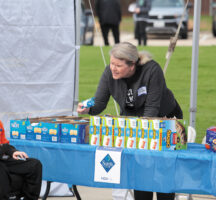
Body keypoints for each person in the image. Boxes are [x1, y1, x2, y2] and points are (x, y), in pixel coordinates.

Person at [77, 42, 182, 200]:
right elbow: (98, 103)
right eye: (112, 63)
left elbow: (151, 109)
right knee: (140, 174)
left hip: (165, 121)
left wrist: (141, 137)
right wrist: (88, 109)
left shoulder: (152, 70)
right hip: (137, 124)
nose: (113, 68)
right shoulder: (109, 73)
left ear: (132, 65)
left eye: (118, 65)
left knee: (163, 174)